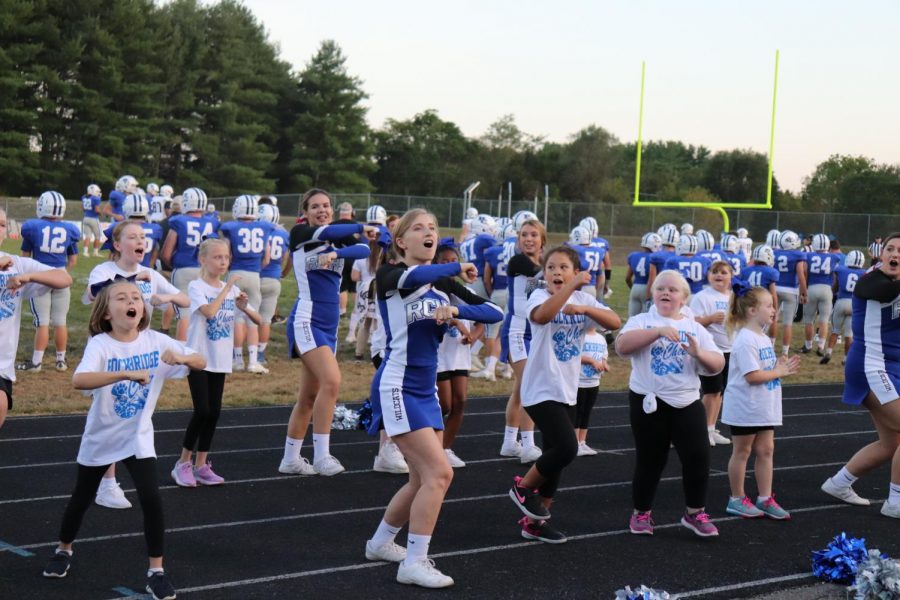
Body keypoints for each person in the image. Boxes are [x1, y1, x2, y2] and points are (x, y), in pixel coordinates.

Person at [42, 279, 205, 600]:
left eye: (136, 297)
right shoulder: (101, 345)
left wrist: (183, 358)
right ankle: (64, 549)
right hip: (101, 436)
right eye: (121, 298)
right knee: (81, 498)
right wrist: (125, 374)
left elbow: (201, 361)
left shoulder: (155, 341)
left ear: (142, 308)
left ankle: (156, 571)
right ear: (106, 314)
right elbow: (79, 380)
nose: (131, 301)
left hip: (137, 437)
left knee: (151, 499)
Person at [364, 208, 502, 588]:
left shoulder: (441, 284)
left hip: (424, 387)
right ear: (401, 241)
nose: (428, 232)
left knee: (419, 479)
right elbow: (421, 275)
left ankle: (379, 543)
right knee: (440, 474)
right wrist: (454, 269)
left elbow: (494, 311)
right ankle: (414, 562)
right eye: (418, 228)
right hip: (397, 385)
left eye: (433, 228)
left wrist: (456, 307)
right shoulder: (392, 276)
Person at [508, 245, 621, 544]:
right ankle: (522, 488)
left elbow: (615, 323)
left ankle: (536, 523)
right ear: (544, 274)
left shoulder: (586, 300)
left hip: (567, 389)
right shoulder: (540, 296)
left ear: (575, 269)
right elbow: (543, 317)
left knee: (554, 459)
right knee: (568, 448)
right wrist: (570, 286)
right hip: (540, 388)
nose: (556, 272)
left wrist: (584, 307)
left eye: (563, 268)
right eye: (551, 268)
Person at [84, 221, 191, 509]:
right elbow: (96, 293)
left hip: (140, 352)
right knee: (107, 414)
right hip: (108, 352)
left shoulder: (151, 274)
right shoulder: (105, 271)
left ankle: (123, 472)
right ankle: (106, 484)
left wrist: (165, 296)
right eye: (132, 237)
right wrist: (133, 284)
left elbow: (185, 298)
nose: (140, 240)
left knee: (133, 412)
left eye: (143, 236)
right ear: (118, 245)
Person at [615, 270, 725, 538]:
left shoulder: (695, 328)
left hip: (686, 401)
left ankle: (694, 513)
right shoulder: (641, 320)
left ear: (684, 298)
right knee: (650, 459)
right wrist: (658, 331)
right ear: (652, 294)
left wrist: (699, 353)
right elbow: (621, 346)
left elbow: (718, 364)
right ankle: (641, 513)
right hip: (648, 400)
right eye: (660, 288)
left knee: (698, 457)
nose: (666, 292)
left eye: (673, 290)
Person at [279, 189, 377, 476]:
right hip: (307, 319)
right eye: (315, 206)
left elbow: (364, 250)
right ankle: (322, 456)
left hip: (329, 323)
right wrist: (360, 226)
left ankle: (290, 459)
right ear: (306, 212)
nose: (321, 209)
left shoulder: (335, 238)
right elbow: (355, 235)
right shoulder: (300, 233)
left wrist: (338, 251)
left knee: (309, 396)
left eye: (326, 205)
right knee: (331, 382)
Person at [172, 239, 262, 487]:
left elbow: (257, 320)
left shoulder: (230, 290)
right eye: (217, 257)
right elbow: (209, 312)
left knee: (214, 414)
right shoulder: (196, 286)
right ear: (203, 260)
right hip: (199, 357)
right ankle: (182, 464)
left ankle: (202, 465)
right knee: (201, 411)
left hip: (220, 359)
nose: (223, 261)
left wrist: (244, 305)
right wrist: (228, 289)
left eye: (226, 257)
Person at [821, 233, 900, 518]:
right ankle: (896, 502)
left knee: (891, 444)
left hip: (890, 367)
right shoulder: (871, 278)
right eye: (890, 248)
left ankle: (839, 483)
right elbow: (883, 292)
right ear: (880, 253)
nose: (894, 254)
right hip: (871, 366)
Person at [723, 283, 801, 520]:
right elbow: (752, 376)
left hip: (764, 405)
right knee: (743, 451)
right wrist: (779, 371)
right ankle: (736, 498)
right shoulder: (746, 339)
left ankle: (765, 498)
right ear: (752, 311)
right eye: (768, 305)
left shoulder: (762, 337)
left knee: (766, 450)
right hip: (746, 406)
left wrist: (779, 366)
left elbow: (764, 369)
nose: (774, 309)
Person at [0, 207, 73, 429]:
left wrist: (28, 276)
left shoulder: (15, 264)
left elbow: (63, 278)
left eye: (2, 224)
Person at [499, 219, 546, 462]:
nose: (528, 239)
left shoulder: (545, 265)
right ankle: (528, 444)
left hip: (535, 332)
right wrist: (562, 272)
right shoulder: (518, 261)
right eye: (524, 234)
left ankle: (509, 442)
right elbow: (538, 273)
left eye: (534, 235)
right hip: (516, 330)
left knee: (520, 389)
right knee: (531, 385)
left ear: (542, 240)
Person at [17, 191, 80, 372]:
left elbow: (25, 257)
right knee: (61, 321)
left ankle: (36, 362)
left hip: (40, 276)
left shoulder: (33, 228)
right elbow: (73, 260)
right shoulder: (69, 230)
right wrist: (61, 274)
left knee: (42, 322)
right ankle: (61, 361)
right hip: (61, 277)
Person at [433, 242, 482, 469]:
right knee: (443, 404)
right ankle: (430, 446)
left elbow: (484, 320)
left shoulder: (467, 293)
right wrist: (456, 322)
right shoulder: (433, 292)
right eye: (444, 262)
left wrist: (472, 334)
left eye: (454, 262)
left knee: (460, 401)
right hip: (439, 354)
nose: (450, 266)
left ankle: (445, 449)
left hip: (459, 354)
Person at [218, 195, 273, 374]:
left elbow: (227, 255)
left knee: (236, 318)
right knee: (253, 319)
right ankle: (253, 361)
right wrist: (256, 268)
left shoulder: (230, 228)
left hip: (236, 273)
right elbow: (267, 258)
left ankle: (238, 361)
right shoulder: (264, 227)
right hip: (254, 274)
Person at [160, 188, 217, 341]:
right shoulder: (212, 222)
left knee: (184, 315)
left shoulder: (179, 221)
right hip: (205, 272)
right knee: (203, 312)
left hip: (184, 270)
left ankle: (183, 351)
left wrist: (176, 265)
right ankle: (199, 350)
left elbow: (166, 253)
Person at [689, 261, 735, 446]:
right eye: (715, 272)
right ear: (708, 275)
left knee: (720, 391)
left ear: (731, 276)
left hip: (729, 349)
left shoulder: (734, 297)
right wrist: (710, 319)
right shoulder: (702, 296)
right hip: (710, 350)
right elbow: (692, 322)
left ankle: (711, 426)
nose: (719, 275)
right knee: (711, 391)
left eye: (723, 272)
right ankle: (702, 429)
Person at [821, 249, 867, 365]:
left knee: (835, 330)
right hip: (855, 304)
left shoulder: (840, 270)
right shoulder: (864, 273)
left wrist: (833, 291)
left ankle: (829, 352)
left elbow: (835, 287)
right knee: (849, 334)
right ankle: (846, 358)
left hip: (841, 302)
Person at [258, 202, 289, 364]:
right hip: (273, 277)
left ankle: (237, 352)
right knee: (265, 319)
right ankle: (260, 354)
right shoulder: (283, 234)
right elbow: (286, 256)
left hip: (254, 276)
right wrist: (283, 271)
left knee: (244, 318)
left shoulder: (256, 230)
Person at [800, 233, 839, 355]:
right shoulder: (834, 257)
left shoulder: (808, 255)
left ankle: (808, 346)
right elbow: (835, 275)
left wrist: (804, 291)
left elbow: (805, 273)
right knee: (824, 320)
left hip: (812, 288)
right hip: (826, 289)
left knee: (809, 319)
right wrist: (831, 289)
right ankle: (821, 346)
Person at [576, 321, 609, 455]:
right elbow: (575, 355)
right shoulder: (579, 335)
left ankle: (582, 442)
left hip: (593, 382)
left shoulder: (601, 338)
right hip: (579, 381)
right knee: (578, 412)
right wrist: (591, 361)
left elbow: (604, 356)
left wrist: (604, 364)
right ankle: (575, 443)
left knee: (586, 412)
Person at [773, 230, 808, 356]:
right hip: (791, 290)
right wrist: (804, 293)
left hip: (775, 288)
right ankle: (784, 352)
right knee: (787, 323)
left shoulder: (774, 252)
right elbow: (801, 275)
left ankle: (770, 346)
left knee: (773, 319)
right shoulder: (798, 254)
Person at [626, 232, 660, 317]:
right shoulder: (655, 257)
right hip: (648, 289)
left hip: (635, 288)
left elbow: (627, 278)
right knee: (646, 319)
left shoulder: (633, 255)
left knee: (632, 319)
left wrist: (632, 288)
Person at [333, 201, 357, 317]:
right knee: (354, 286)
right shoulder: (357, 225)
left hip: (338, 257)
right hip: (354, 258)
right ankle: (358, 310)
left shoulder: (333, 225)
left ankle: (342, 310)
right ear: (352, 213)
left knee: (341, 285)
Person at [81, 184, 104, 257]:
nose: (98, 193)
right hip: (93, 219)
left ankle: (85, 252)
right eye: (97, 191)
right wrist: (101, 213)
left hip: (85, 218)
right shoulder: (96, 199)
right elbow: (97, 210)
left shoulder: (84, 197)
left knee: (88, 236)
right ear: (93, 191)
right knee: (98, 236)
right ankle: (95, 252)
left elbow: (83, 209)